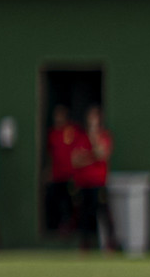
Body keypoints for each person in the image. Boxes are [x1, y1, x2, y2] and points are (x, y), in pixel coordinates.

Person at [74, 107, 114, 253]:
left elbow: (101, 153)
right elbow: (75, 160)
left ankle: (110, 245)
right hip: (84, 184)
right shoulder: (80, 137)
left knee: (104, 214)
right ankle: (85, 246)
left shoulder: (103, 136)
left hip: (99, 183)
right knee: (84, 215)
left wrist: (93, 138)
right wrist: (90, 157)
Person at [46, 105, 82, 233]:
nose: (58, 118)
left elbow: (79, 151)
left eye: (60, 115)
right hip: (57, 176)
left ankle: (71, 227)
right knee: (56, 202)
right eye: (56, 115)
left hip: (71, 175)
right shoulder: (52, 134)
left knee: (71, 203)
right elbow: (50, 154)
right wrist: (49, 172)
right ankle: (58, 227)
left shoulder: (72, 130)